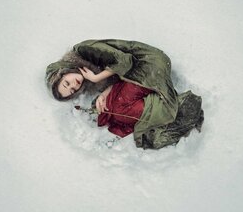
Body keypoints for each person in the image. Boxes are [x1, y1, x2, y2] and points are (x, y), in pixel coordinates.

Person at [46, 39, 203, 149]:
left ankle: (176, 108)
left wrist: (96, 77)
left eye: (67, 83)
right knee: (110, 110)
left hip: (148, 64)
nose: (74, 85)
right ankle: (156, 105)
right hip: (134, 76)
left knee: (120, 107)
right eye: (72, 91)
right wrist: (105, 93)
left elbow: (124, 61)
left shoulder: (84, 50)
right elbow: (117, 79)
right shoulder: (83, 75)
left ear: (64, 71)